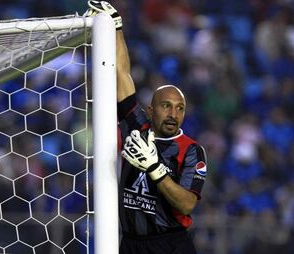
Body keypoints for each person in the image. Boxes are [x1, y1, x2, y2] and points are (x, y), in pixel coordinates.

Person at [86, 2, 208, 253]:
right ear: (151, 110)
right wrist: (115, 27)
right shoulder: (136, 126)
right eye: (166, 106)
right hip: (131, 243)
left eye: (179, 108)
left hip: (170, 244)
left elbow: (186, 205)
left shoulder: (192, 151)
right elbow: (120, 73)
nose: (173, 113)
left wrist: (155, 168)